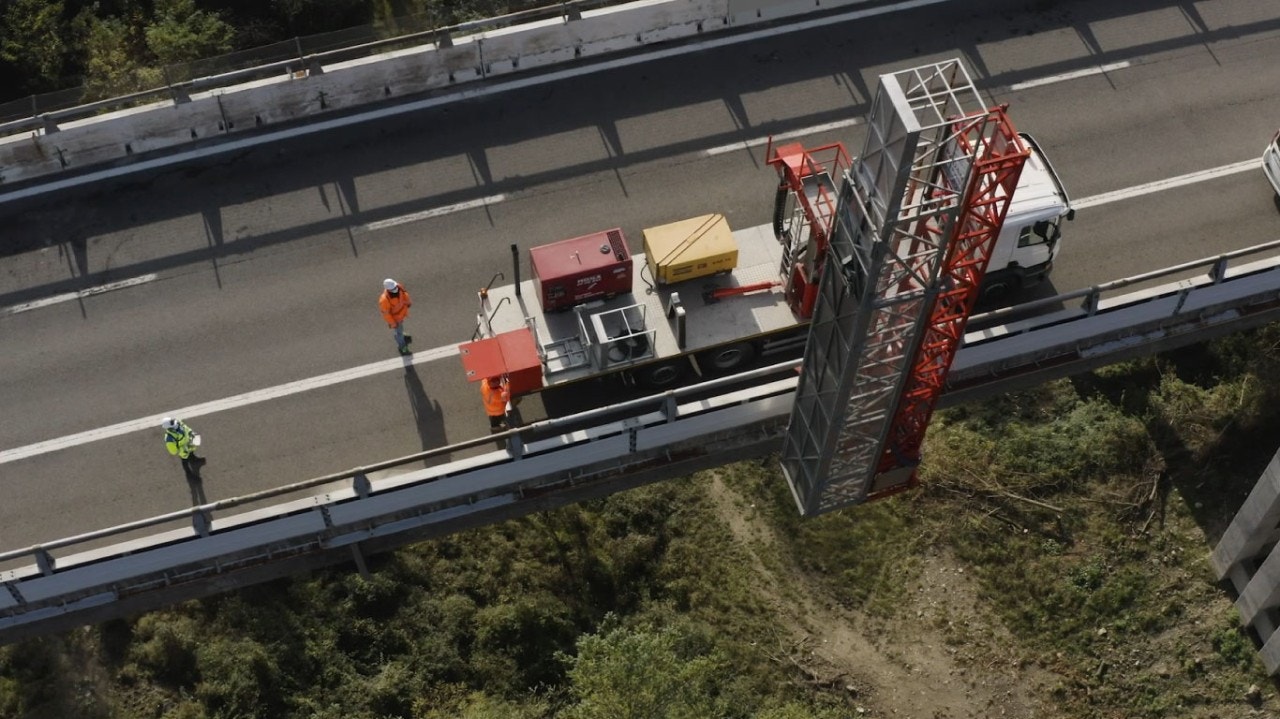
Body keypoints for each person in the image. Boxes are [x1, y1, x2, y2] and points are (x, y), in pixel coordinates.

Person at [379, 278, 413, 355]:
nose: (395, 289)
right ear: (388, 289)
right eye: (393, 288)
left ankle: (401, 334)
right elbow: (386, 314)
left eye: (395, 287)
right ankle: (402, 347)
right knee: (398, 332)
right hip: (395, 318)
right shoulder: (384, 300)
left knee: (400, 328)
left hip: (401, 314)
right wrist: (392, 323)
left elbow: (404, 294)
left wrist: (408, 302)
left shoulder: (398, 287)